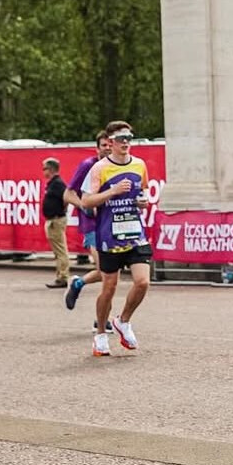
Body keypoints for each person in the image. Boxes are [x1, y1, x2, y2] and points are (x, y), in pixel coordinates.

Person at [79, 125, 151, 357]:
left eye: (129, 137)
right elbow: (86, 201)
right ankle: (100, 334)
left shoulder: (139, 165)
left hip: (135, 233)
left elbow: (143, 192)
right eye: (121, 138)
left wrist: (142, 202)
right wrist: (112, 191)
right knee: (109, 287)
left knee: (143, 282)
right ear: (110, 142)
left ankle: (123, 321)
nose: (126, 142)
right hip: (109, 235)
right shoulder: (99, 168)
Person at [64, 129, 113, 325]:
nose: (108, 148)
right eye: (104, 145)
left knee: (107, 273)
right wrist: (84, 205)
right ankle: (102, 320)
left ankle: (78, 283)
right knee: (107, 273)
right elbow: (68, 194)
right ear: (97, 148)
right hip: (92, 226)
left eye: (110, 145)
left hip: (112, 225)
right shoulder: (88, 165)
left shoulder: (117, 167)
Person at [41, 157, 70, 288]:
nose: (43, 172)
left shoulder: (57, 183)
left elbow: (66, 197)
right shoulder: (53, 183)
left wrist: (61, 209)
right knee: (57, 251)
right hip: (53, 220)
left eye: (45, 169)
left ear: (51, 169)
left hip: (56, 220)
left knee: (60, 250)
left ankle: (62, 277)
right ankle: (60, 275)